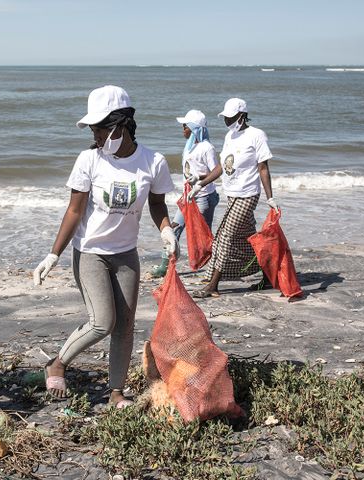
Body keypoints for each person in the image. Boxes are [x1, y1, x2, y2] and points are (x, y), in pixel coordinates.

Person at [33, 85, 176, 408]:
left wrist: (166, 229)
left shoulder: (153, 161)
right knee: (102, 322)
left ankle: (116, 392)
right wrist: (53, 254)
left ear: (121, 124)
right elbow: (74, 210)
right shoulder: (88, 160)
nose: (96, 135)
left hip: (126, 254)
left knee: (124, 327)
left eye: (100, 128)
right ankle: (57, 363)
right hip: (90, 253)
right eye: (93, 129)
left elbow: (157, 204)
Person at [191, 98, 281, 299]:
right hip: (231, 195)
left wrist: (270, 198)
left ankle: (213, 286)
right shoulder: (229, 136)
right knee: (248, 241)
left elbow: (263, 168)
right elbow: (222, 166)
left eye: (230, 117)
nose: (227, 121)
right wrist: (201, 184)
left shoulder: (256, 135)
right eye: (225, 118)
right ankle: (268, 275)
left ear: (241, 116)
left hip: (248, 194)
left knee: (225, 236)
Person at [151, 109, 220, 277]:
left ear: (194, 128)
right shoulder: (190, 146)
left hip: (203, 198)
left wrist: (200, 181)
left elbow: (217, 171)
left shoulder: (206, 148)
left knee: (203, 237)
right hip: (188, 198)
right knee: (173, 229)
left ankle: (214, 269)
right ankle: (165, 266)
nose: (183, 129)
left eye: (185, 126)